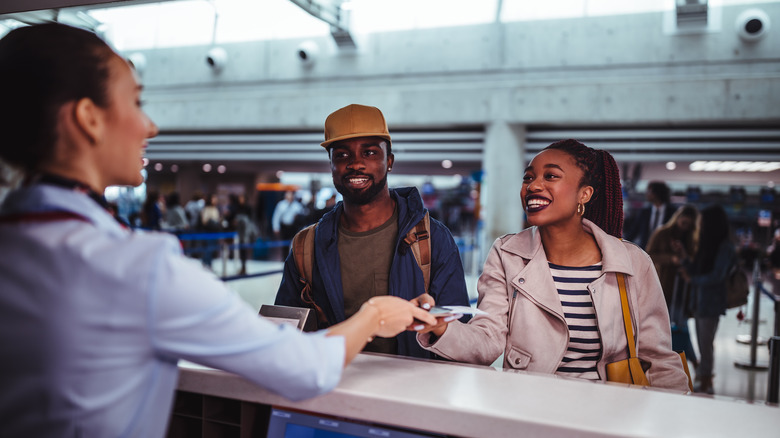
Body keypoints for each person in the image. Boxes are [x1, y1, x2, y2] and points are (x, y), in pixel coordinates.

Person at [0, 23, 437, 438]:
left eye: (368, 152)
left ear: (389, 161)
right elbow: (302, 365)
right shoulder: (135, 267)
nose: (149, 125)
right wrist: (375, 315)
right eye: (135, 102)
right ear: (88, 119)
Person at [413, 139, 690, 391]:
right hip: (530, 408)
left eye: (551, 176)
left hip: (610, 415)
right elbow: (488, 339)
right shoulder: (507, 253)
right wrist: (440, 327)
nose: (533, 185)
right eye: (528, 178)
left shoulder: (631, 262)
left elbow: (658, 358)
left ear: (585, 194)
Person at [275, 104, 470, 359]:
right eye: (342, 155)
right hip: (333, 388)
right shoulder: (307, 246)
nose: (356, 164)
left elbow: (461, 337)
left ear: (389, 161)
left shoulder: (432, 239)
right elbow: (285, 330)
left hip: (413, 390)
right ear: (331, 164)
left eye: (369, 152)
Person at [679, 204, 737, 394]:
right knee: (703, 342)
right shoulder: (706, 243)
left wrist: (692, 280)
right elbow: (697, 268)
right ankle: (704, 377)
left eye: (703, 221)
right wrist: (684, 257)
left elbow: (718, 276)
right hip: (699, 301)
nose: (700, 224)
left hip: (711, 302)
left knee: (706, 343)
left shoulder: (725, 247)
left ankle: (706, 380)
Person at [646, 204, 699, 368]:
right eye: (683, 223)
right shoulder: (662, 233)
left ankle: (687, 359)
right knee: (663, 324)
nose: (685, 227)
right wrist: (671, 258)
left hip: (683, 290)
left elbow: (693, 260)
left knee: (680, 326)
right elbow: (648, 254)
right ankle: (665, 359)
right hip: (663, 285)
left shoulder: (691, 238)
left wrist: (684, 257)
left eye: (688, 225)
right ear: (678, 219)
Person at [625, 181, 676, 249]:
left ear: (657, 193)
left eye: (649, 191)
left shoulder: (673, 212)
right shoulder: (644, 212)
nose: (646, 194)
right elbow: (634, 232)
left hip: (664, 252)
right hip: (646, 251)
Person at [272, 189, 306, 255]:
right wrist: (276, 227)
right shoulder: (281, 205)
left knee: (294, 244)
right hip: (284, 226)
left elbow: (302, 217)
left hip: (293, 227)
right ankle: (284, 259)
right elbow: (276, 217)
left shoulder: (297, 206)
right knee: (284, 245)